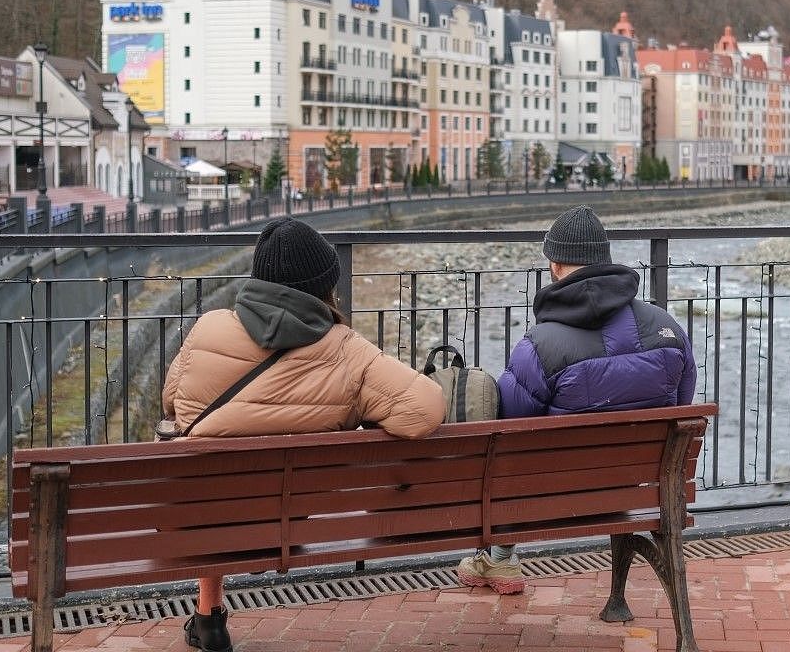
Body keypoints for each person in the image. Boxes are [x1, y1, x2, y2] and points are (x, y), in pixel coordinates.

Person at [162, 217, 445, 652]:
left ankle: (209, 616)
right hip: (288, 520)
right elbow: (425, 411)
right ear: (325, 287)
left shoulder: (210, 328)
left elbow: (172, 403)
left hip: (200, 513)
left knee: (212, 463)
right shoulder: (347, 351)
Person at [456, 205, 697, 595]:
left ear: (553, 266)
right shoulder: (667, 327)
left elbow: (509, 432)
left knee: (504, 458)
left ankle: (499, 558)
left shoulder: (539, 346)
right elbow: (682, 407)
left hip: (554, 494)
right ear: (605, 260)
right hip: (638, 485)